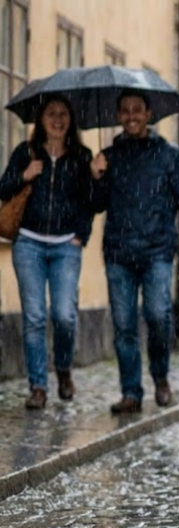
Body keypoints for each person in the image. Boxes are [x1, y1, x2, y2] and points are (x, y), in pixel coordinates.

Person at [91, 89, 179, 414]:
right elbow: (97, 204)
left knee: (158, 315)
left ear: (149, 114)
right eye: (125, 111)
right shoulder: (110, 156)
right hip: (118, 252)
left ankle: (161, 376)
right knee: (124, 324)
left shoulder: (168, 155)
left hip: (157, 250)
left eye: (137, 110)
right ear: (118, 116)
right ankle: (131, 392)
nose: (131, 116)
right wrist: (96, 175)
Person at [0, 95, 103, 409]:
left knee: (64, 315)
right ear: (41, 120)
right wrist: (24, 175)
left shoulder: (81, 157)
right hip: (28, 243)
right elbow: (3, 189)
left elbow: (93, 204)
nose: (58, 120)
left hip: (65, 247)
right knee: (33, 317)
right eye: (51, 114)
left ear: (70, 120)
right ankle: (38, 387)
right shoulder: (25, 153)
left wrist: (97, 176)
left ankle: (63, 368)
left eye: (63, 115)